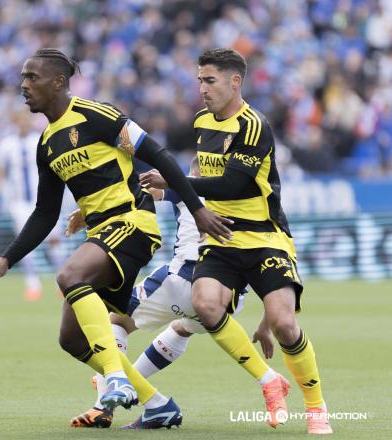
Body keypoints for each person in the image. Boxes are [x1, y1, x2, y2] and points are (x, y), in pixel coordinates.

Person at [0, 48, 233, 428]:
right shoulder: (47, 144)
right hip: (103, 235)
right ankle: (156, 403)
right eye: (23, 78)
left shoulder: (97, 115)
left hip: (133, 224)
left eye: (32, 77)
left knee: (68, 276)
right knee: (72, 339)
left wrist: (197, 209)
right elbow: (45, 213)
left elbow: (158, 155)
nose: (23, 85)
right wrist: (6, 260)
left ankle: (114, 379)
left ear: (59, 82)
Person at [140, 48, 333, 435]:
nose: (202, 89)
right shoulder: (201, 122)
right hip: (221, 237)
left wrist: (175, 181)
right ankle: (268, 382)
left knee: (283, 325)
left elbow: (234, 184)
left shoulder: (254, 125)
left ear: (235, 81)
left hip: (264, 238)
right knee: (205, 304)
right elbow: (204, 180)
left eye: (209, 81)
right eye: (199, 80)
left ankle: (316, 406)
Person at [66, 159, 253, 429]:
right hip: (231, 296)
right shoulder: (244, 195)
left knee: (115, 321)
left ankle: (111, 393)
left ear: (193, 173)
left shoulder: (183, 186)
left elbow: (139, 188)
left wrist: (88, 210)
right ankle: (128, 390)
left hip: (186, 279)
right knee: (181, 328)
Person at [0, 110, 66, 301]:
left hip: (44, 200)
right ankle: (33, 285)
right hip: (20, 204)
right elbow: (0, 173)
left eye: (26, 119)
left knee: (54, 242)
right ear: (15, 121)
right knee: (24, 244)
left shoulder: (40, 141)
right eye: (19, 119)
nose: (23, 123)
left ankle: (63, 282)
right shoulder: (6, 145)